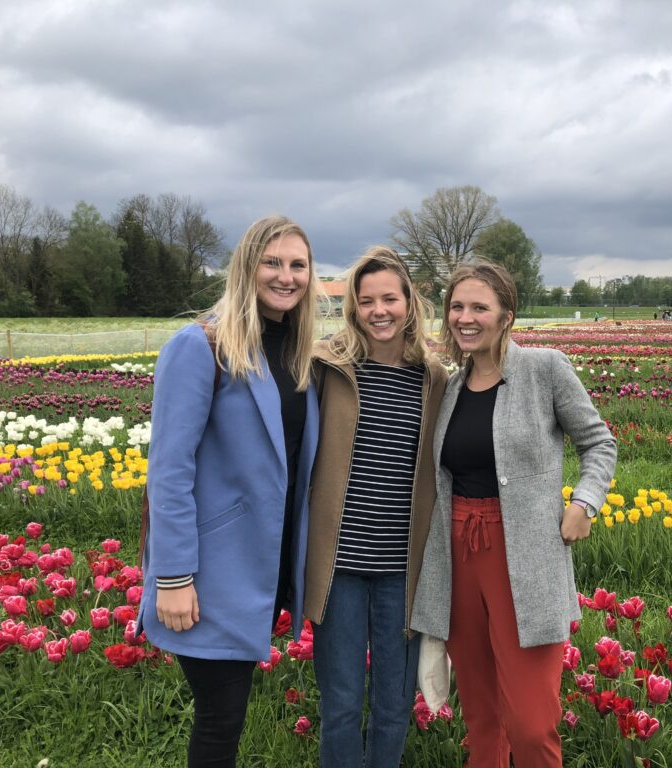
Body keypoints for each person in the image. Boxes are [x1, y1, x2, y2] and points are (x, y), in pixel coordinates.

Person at [411, 261, 617, 768]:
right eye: (457, 307)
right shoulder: (451, 388)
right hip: (458, 557)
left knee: (529, 723)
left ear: (506, 315)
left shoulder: (545, 369)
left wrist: (584, 502)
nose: (466, 317)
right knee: (481, 719)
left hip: (524, 557)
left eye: (480, 307)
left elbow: (599, 443)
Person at [138, 216, 321, 767]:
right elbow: (169, 469)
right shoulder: (202, 346)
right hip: (212, 570)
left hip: (265, 567)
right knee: (220, 720)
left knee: (227, 717)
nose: (285, 276)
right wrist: (172, 577)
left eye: (297, 265)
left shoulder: (299, 350)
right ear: (247, 266)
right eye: (272, 262)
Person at [305, 246, 448, 768]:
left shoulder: (433, 379)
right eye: (367, 301)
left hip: (401, 572)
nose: (379, 310)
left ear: (410, 302)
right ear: (353, 307)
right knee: (341, 705)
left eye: (390, 298)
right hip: (339, 566)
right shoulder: (327, 368)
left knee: (393, 706)